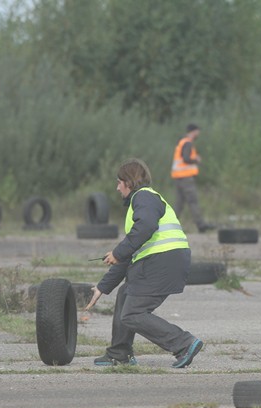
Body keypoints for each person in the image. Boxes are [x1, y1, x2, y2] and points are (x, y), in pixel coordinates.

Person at [85, 158, 203, 368]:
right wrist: (102, 287)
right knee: (126, 293)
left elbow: (145, 228)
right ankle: (120, 353)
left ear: (129, 183)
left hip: (163, 260)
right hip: (162, 260)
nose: (117, 187)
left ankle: (183, 343)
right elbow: (129, 253)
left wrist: (118, 252)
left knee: (132, 314)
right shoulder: (141, 202)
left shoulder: (144, 197)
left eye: (119, 182)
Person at [171, 123, 215, 233]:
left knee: (179, 204)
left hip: (178, 178)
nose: (198, 134)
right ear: (194, 131)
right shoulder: (188, 143)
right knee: (193, 201)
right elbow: (186, 158)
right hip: (186, 178)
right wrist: (196, 160)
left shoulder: (181, 142)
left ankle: (169, 226)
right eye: (198, 131)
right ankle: (201, 225)